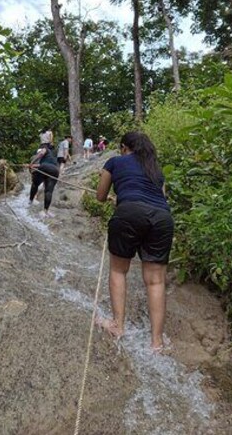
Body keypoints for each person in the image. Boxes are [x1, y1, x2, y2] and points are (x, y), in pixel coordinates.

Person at [95, 131, 174, 352]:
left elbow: (100, 197)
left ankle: (117, 326)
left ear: (123, 147)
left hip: (129, 212)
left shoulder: (115, 162)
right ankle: (156, 343)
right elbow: (160, 198)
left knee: (119, 270)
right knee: (156, 281)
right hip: (162, 218)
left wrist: (121, 200)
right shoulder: (155, 170)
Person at [28, 142, 60, 218]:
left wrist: (31, 163)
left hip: (44, 168)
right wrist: (34, 166)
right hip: (55, 171)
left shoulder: (46, 149)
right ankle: (46, 211)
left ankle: (30, 201)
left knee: (35, 184)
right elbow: (49, 165)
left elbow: (41, 155)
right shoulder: (54, 155)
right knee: (49, 191)